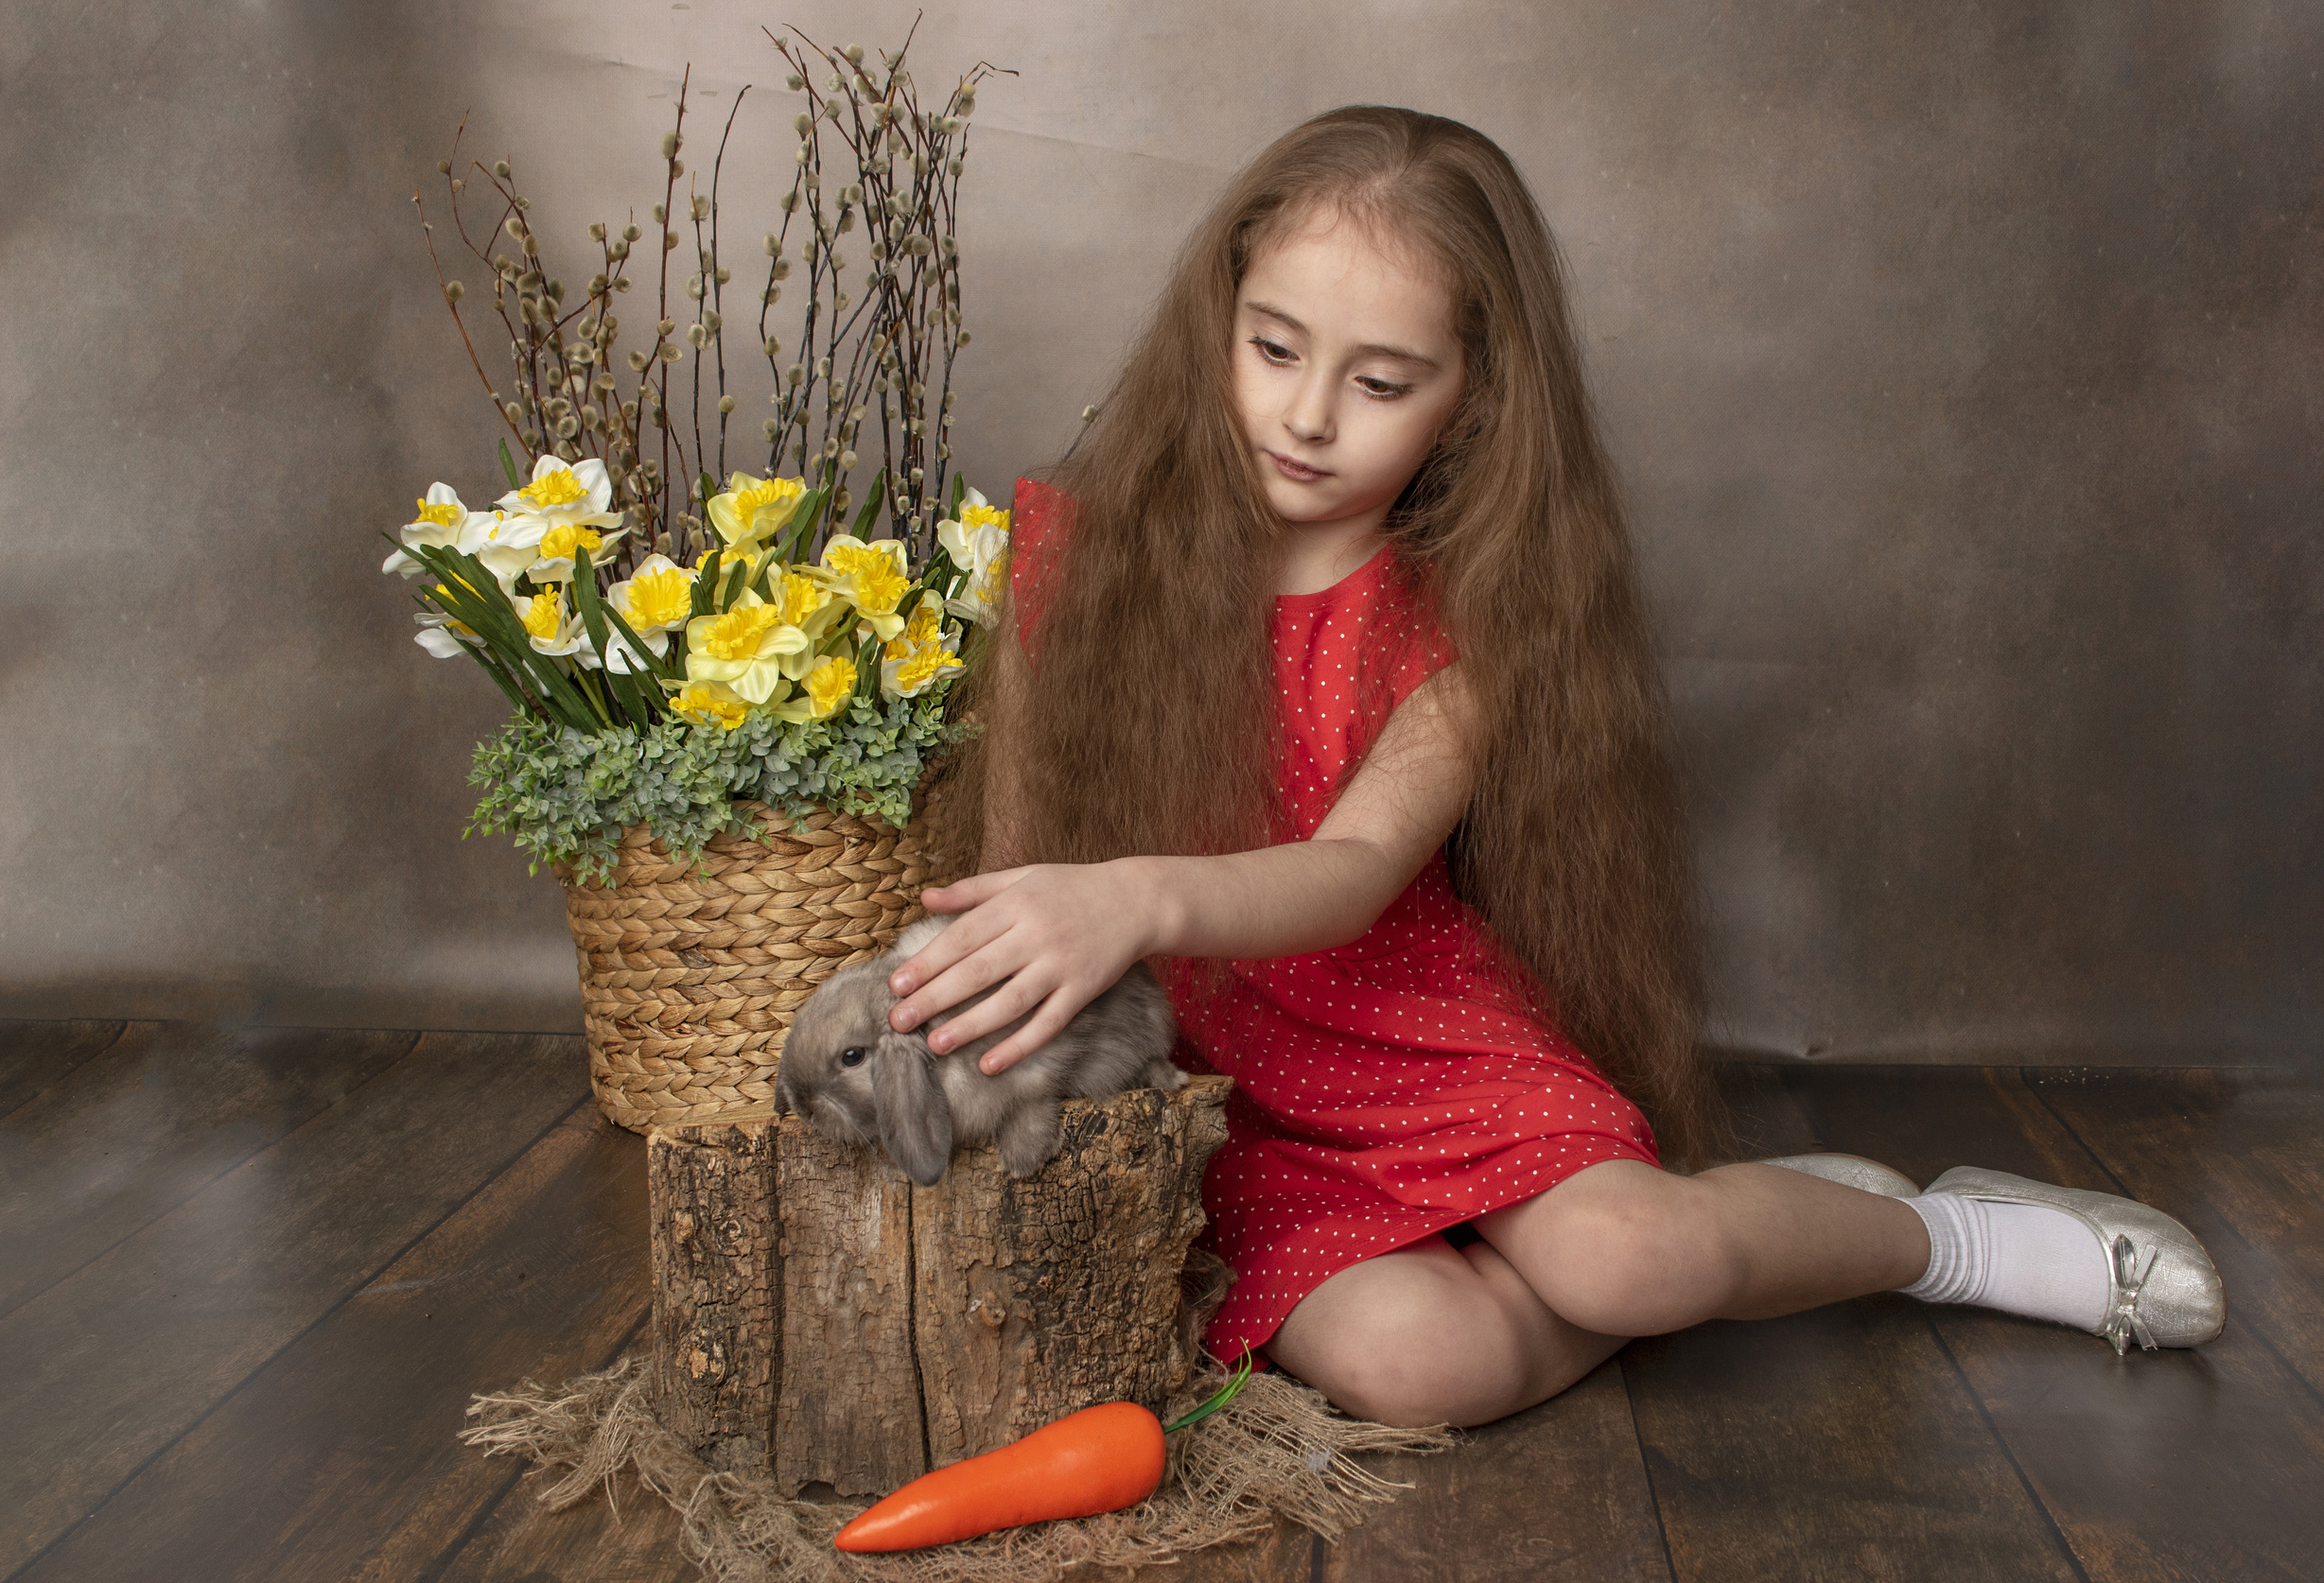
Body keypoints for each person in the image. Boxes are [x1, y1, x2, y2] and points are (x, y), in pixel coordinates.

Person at [882, 106, 2223, 1428]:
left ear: (1472, 401)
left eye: (1382, 381)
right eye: (1274, 347)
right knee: (1419, 1368)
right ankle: (1740, 1237)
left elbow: (1348, 872)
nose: (1306, 414)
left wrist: (1136, 895)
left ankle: (1936, 1234)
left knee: (1632, 1259)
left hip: (1410, 1039)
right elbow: (1016, 873)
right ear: (1216, 322)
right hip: (1210, 1102)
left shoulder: (1459, 620)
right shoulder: (1075, 555)